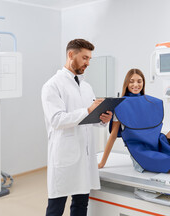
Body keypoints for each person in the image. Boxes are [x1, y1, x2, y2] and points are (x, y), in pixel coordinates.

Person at [42, 39, 113, 216]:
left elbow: (89, 118)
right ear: (71, 54)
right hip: (65, 154)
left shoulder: (86, 87)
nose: (87, 63)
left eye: (89, 59)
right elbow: (56, 120)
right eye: (84, 58)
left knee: (81, 205)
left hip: (85, 155)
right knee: (55, 208)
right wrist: (88, 109)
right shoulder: (52, 85)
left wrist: (102, 118)